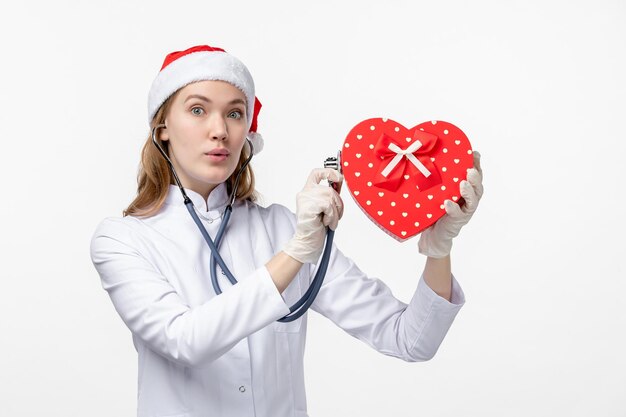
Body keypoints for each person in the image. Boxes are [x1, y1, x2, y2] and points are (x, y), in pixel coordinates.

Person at [90, 44, 484, 417]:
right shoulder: (123, 239)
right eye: (197, 110)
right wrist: (296, 252)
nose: (219, 131)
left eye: (234, 113)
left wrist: (439, 247)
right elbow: (185, 340)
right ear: (162, 127)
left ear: (248, 131)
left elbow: (410, 340)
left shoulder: (281, 227)